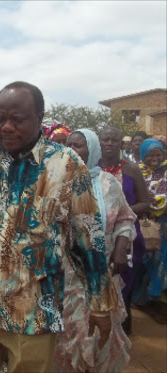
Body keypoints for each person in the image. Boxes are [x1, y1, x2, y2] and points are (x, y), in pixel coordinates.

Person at [0, 81, 117, 373]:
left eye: (17, 119)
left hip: (35, 310)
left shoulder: (66, 166)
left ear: (39, 118)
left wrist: (100, 302)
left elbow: (88, 240)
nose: (7, 127)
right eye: (1, 119)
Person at [54, 129, 135, 372]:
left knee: (100, 332)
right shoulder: (54, 181)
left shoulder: (108, 184)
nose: (70, 150)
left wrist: (121, 248)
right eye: (67, 145)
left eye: (77, 146)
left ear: (92, 150)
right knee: (66, 331)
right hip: (64, 274)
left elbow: (125, 218)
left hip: (102, 274)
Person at [99, 126, 150, 334]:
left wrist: (120, 211)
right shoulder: (91, 168)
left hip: (127, 236)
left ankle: (122, 331)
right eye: (106, 139)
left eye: (114, 139)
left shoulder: (131, 169)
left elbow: (145, 203)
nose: (110, 143)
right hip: (100, 235)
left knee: (123, 283)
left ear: (122, 144)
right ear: (99, 142)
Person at [133, 138, 167, 324]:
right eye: (151, 154)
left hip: (163, 225)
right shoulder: (136, 170)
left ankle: (155, 301)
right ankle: (140, 299)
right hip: (143, 223)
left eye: (158, 154)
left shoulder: (165, 171)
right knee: (142, 261)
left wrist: (158, 202)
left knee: (160, 263)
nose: (155, 158)